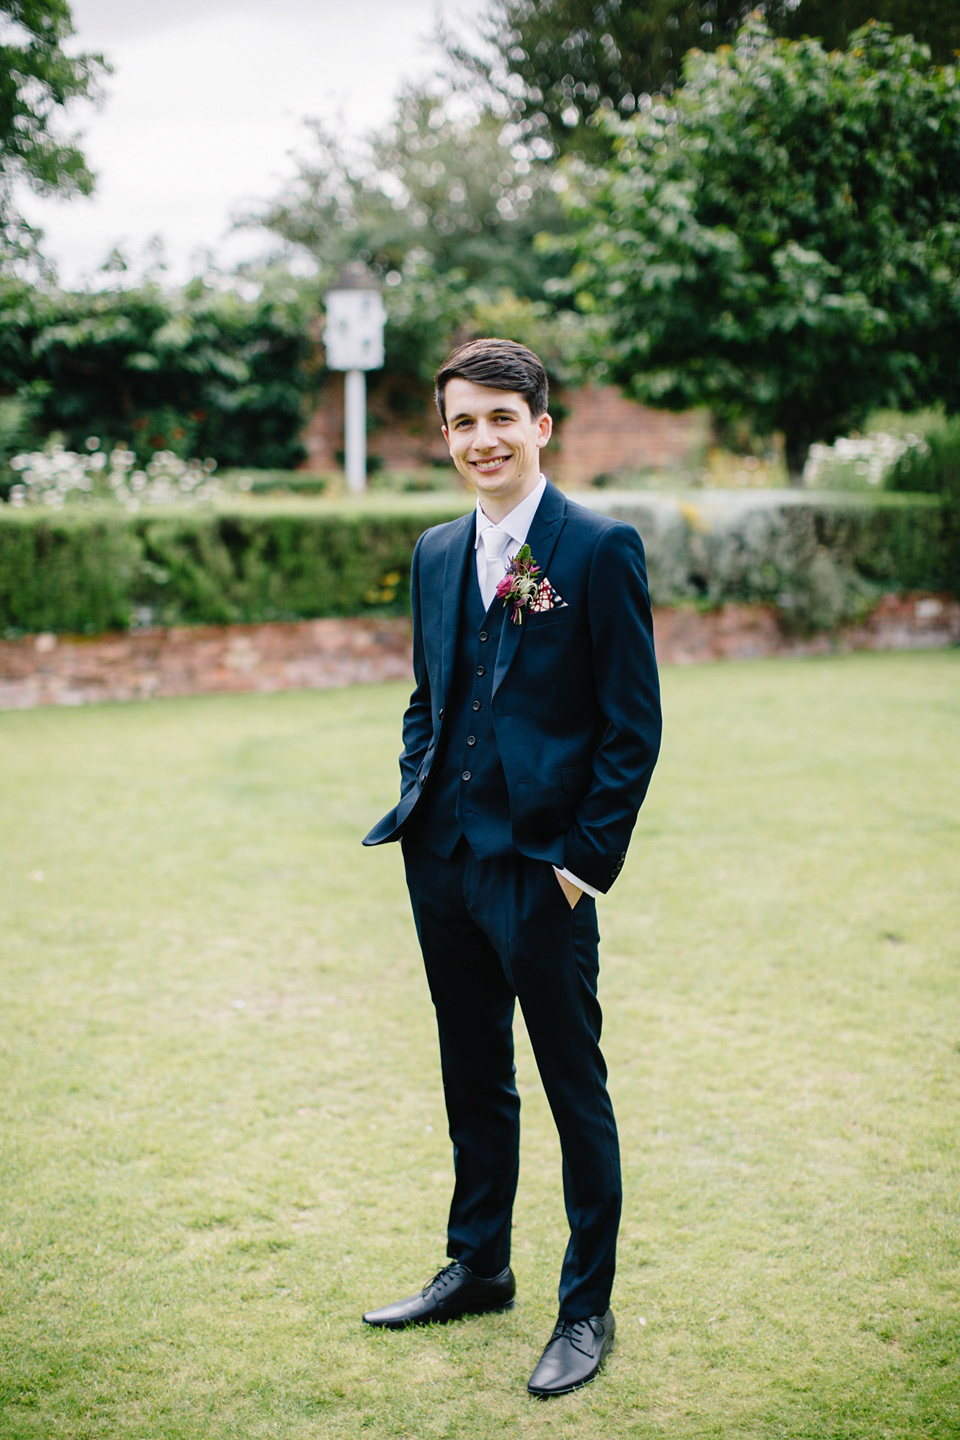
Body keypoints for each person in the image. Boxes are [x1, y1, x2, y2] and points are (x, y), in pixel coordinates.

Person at [362, 337, 662, 1398]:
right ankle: (479, 1264)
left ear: (541, 424)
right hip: (440, 860)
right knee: (472, 1073)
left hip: (543, 873)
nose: (481, 438)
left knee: (574, 1087)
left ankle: (586, 1309)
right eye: (461, 422)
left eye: (501, 417)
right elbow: (426, 697)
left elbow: (633, 729)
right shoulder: (437, 553)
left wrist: (582, 864)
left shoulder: (598, 549)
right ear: (444, 439)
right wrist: (416, 798)